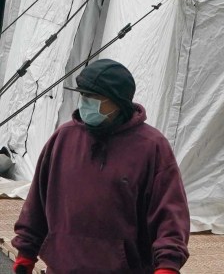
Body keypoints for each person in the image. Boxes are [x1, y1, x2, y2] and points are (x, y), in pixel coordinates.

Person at [12, 58, 190, 274]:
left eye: (94, 97)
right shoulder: (63, 138)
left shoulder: (151, 147)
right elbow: (37, 202)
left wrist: (168, 265)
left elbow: (170, 213)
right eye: (83, 95)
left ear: (118, 101)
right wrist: (26, 252)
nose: (85, 103)